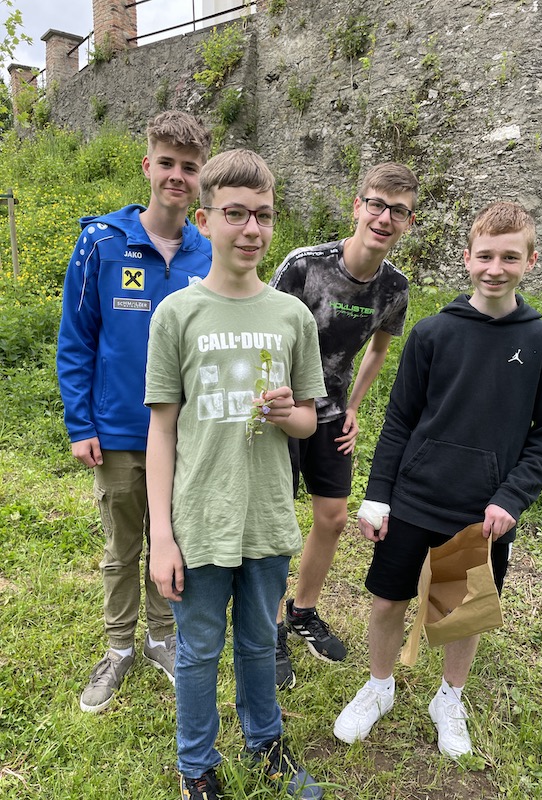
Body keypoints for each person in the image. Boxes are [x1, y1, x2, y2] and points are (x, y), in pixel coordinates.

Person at [333, 201, 542, 758]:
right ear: (467, 258)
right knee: (388, 600)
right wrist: (378, 495)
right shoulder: (432, 333)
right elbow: (399, 422)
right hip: (413, 498)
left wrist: (511, 497)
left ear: (531, 261)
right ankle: (379, 685)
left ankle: (449, 697)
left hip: (482, 511)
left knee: (464, 612)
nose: (495, 268)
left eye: (509, 257)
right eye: (485, 256)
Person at [144, 148, 326, 800]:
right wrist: (161, 536)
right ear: (205, 219)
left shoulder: (291, 316)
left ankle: (265, 744)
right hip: (199, 516)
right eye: (236, 214)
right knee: (198, 650)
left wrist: (287, 414)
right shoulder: (177, 313)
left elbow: (309, 421)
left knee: (256, 641)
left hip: (266, 513)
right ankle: (195, 764)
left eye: (264, 216)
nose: (252, 229)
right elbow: (162, 430)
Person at [56, 110, 212, 713]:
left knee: (173, 544)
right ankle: (119, 646)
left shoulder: (209, 252)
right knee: (122, 548)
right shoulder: (101, 243)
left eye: (189, 167)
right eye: (167, 163)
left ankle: (160, 637)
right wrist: (80, 423)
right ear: (147, 165)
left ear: (201, 178)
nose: (177, 176)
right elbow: (77, 339)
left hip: (187, 435)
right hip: (120, 430)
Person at [269, 163, 418, 688]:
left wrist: (352, 406)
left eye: (398, 211)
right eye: (376, 204)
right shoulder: (304, 266)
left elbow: (378, 349)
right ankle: (266, 628)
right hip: (283, 412)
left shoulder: (395, 287)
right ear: (357, 206)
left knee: (332, 519)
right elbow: (264, 329)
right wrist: (274, 402)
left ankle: (301, 612)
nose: (384, 217)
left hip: (332, 415)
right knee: (274, 524)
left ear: (408, 222)